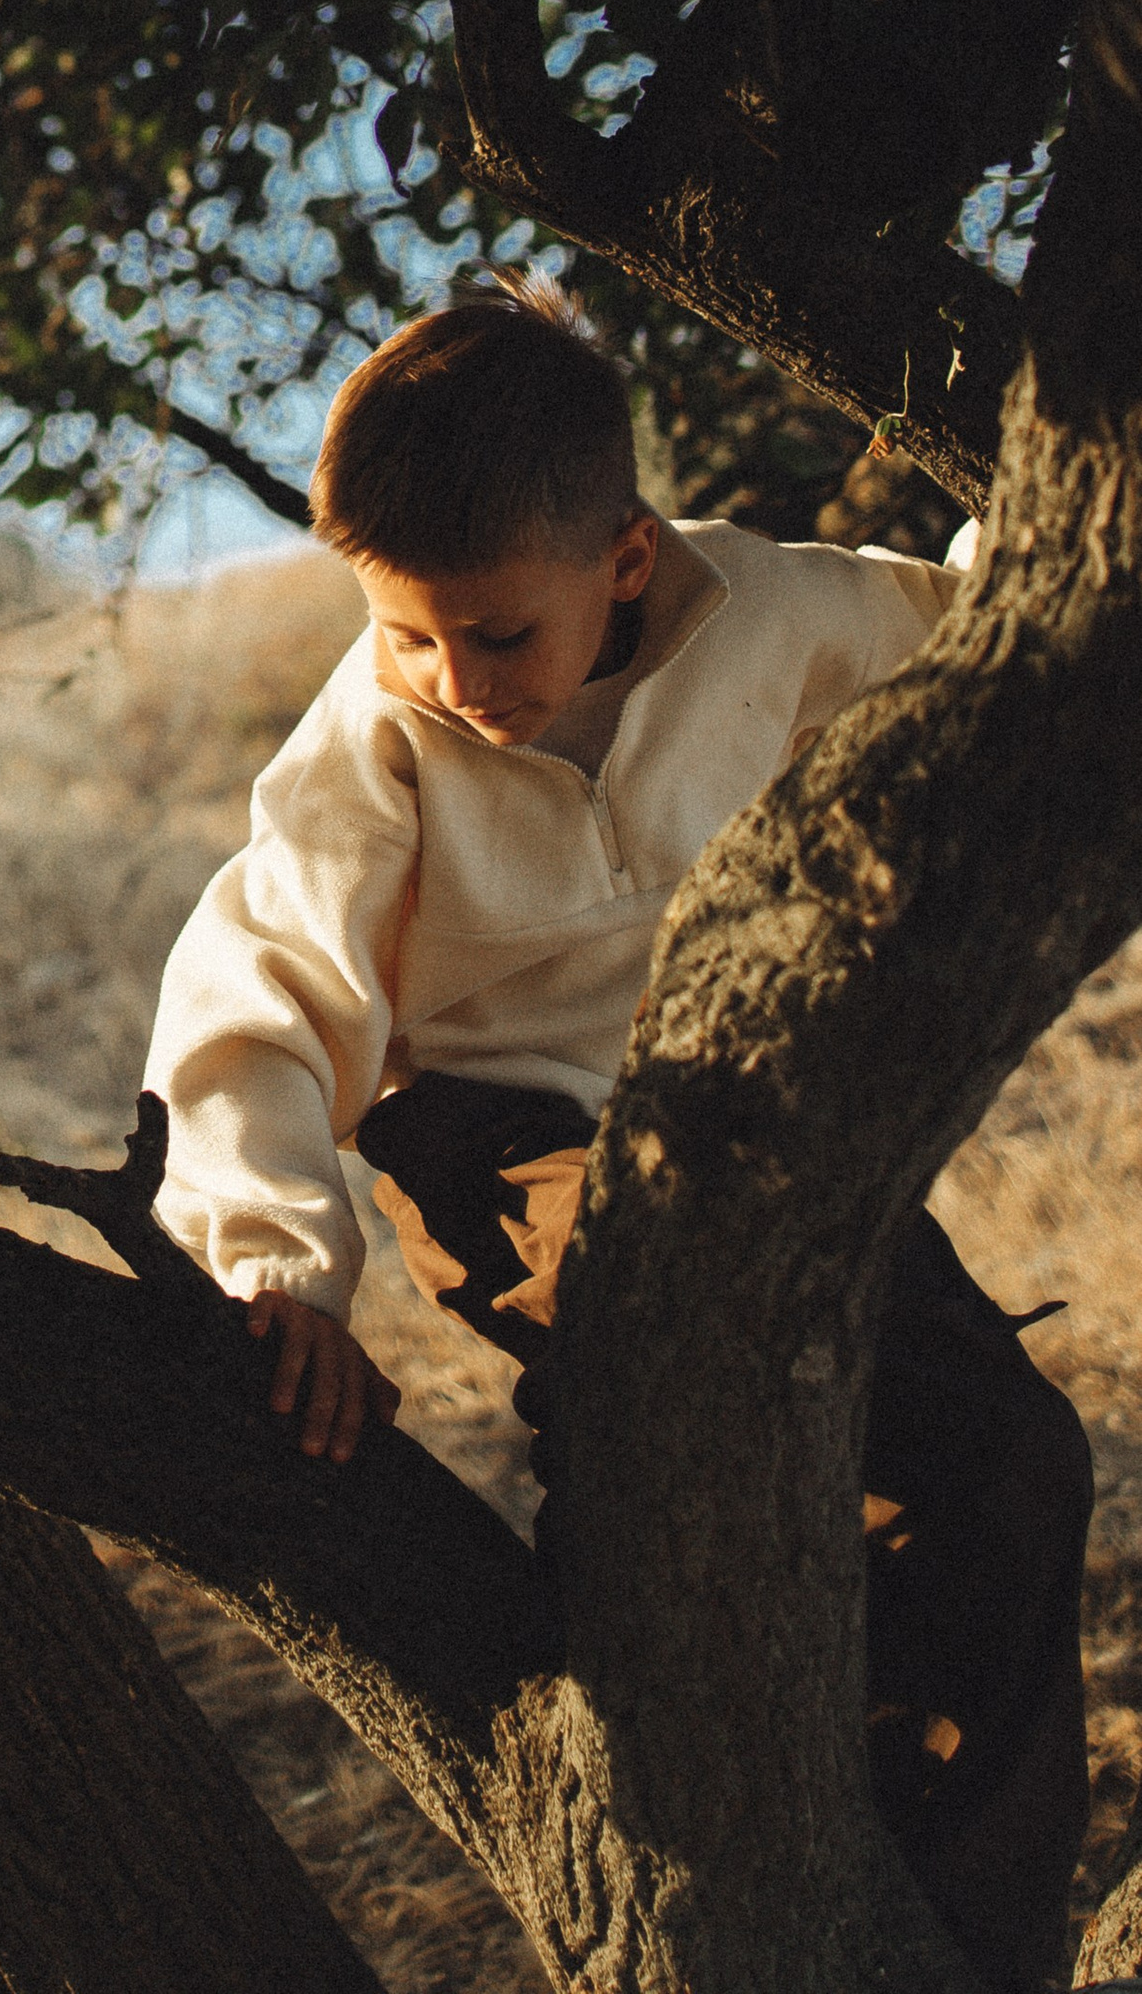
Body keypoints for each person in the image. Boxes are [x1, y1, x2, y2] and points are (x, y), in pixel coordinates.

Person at [145, 281, 1091, 1992]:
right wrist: (278, 1263)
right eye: (407, 634)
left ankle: (975, 1927)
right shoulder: (376, 750)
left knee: (1016, 1457)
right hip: (494, 1138)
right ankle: (636, 1682)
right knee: (663, 1325)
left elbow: (984, 629)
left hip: (762, 1118)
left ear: (631, 561)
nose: (450, 679)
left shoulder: (773, 608)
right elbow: (263, 998)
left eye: (496, 635)